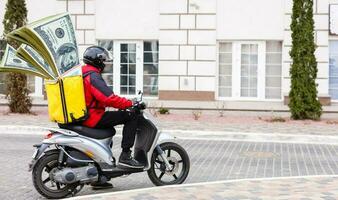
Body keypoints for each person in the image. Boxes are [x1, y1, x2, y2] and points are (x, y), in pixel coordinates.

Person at [81, 46, 144, 170]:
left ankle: (101, 171)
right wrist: (129, 104)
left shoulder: (82, 72)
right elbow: (108, 98)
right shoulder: (93, 76)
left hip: (85, 115)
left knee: (111, 126)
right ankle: (125, 156)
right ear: (97, 61)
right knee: (131, 115)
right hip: (92, 117)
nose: (105, 64)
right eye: (104, 61)